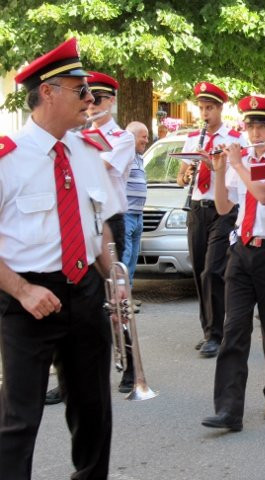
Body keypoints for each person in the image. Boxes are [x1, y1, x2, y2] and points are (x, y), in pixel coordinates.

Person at [0, 37, 118, 479]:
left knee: (93, 413)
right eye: (80, 89)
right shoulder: (7, 159)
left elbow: (99, 226)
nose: (90, 100)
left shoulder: (87, 152)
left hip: (86, 291)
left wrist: (114, 277)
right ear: (47, 92)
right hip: (28, 296)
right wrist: (23, 290)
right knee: (18, 420)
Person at [201, 95, 265, 430]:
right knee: (233, 329)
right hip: (241, 251)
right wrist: (218, 171)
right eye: (250, 125)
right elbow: (225, 207)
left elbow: (264, 195)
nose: (255, 132)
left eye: (262, 125)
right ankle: (229, 409)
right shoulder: (238, 161)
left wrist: (239, 164)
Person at [176, 82, 245, 358]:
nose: (204, 114)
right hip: (197, 207)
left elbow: (237, 174)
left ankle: (217, 333)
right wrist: (188, 173)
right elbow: (181, 177)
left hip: (224, 209)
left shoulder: (233, 139)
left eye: (209, 108)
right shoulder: (193, 138)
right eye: (201, 108)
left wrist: (213, 166)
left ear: (220, 108)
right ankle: (209, 330)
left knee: (213, 270)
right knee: (199, 270)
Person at [86, 71, 136, 258]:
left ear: (111, 100)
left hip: (110, 218)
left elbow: (102, 166)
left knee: (113, 279)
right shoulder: (78, 136)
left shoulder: (123, 137)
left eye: (97, 99)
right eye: (87, 99)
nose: (91, 105)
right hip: (85, 217)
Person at [122, 122, 149, 290]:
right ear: (132, 137)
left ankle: (128, 295)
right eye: (144, 136)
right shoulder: (123, 156)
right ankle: (120, 297)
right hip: (126, 214)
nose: (147, 140)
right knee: (125, 257)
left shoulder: (139, 157)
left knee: (132, 258)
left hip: (137, 215)